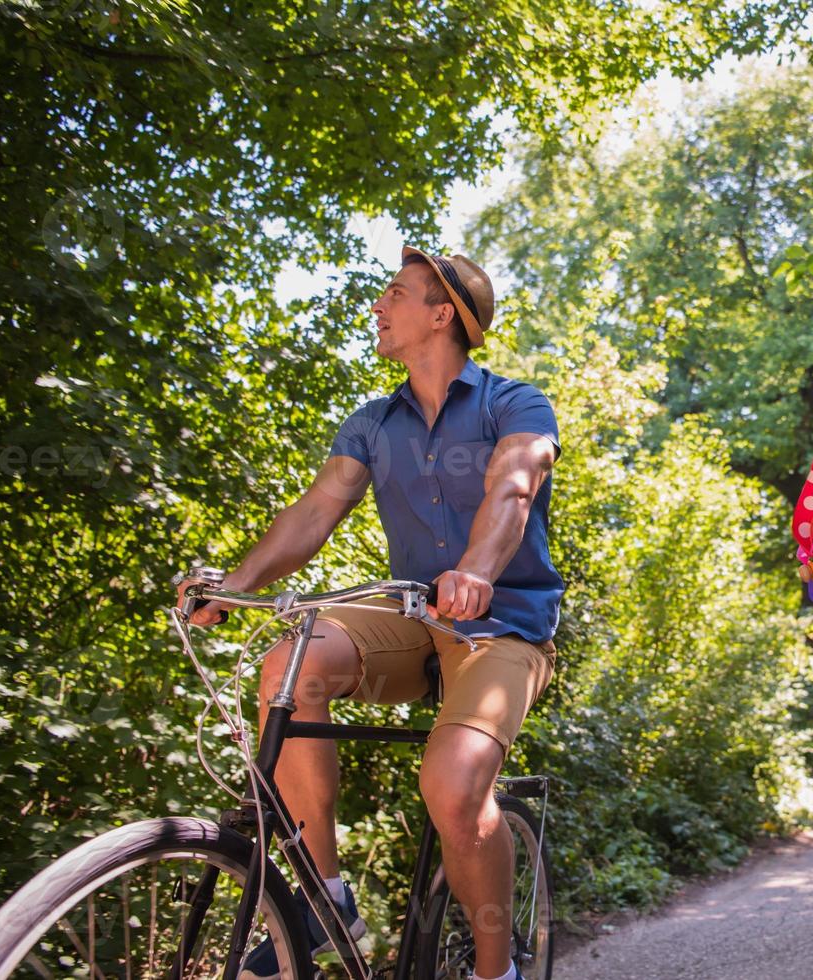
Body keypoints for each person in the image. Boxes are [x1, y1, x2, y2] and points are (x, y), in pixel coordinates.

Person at [177, 246, 563, 980]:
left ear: (441, 313)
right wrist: (234, 583)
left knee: (453, 787)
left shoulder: (513, 402)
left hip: (502, 624)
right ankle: (326, 899)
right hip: (410, 615)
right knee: (293, 660)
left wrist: (478, 570)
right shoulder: (370, 422)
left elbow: (513, 486)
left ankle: (496, 970)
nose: (378, 308)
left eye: (394, 294)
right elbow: (317, 510)